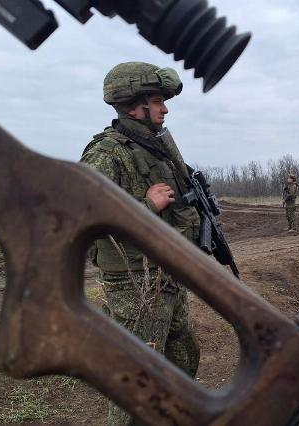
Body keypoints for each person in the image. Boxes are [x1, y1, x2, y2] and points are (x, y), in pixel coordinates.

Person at [80, 62, 200, 425]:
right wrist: (145, 206)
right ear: (134, 106)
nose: (165, 109)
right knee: (138, 380)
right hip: (135, 284)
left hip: (165, 275)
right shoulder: (107, 153)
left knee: (183, 357)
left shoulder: (152, 147)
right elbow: (80, 215)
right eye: (158, 101)